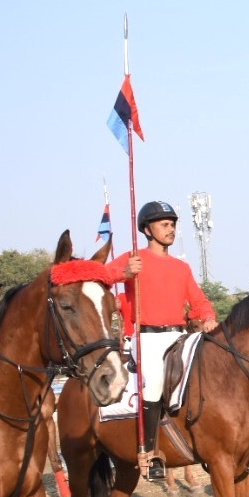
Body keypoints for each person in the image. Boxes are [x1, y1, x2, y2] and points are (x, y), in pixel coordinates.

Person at [106, 201, 215, 481]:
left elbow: (198, 299)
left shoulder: (181, 267)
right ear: (147, 229)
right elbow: (101, 278)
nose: (171, 229)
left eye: (173, 224)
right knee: (154, 382)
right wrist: (123, 273)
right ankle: (149, 451)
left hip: (179, 335)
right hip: (146, 337)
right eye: (164, 224)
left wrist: (209, 316)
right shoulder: (134, 258)